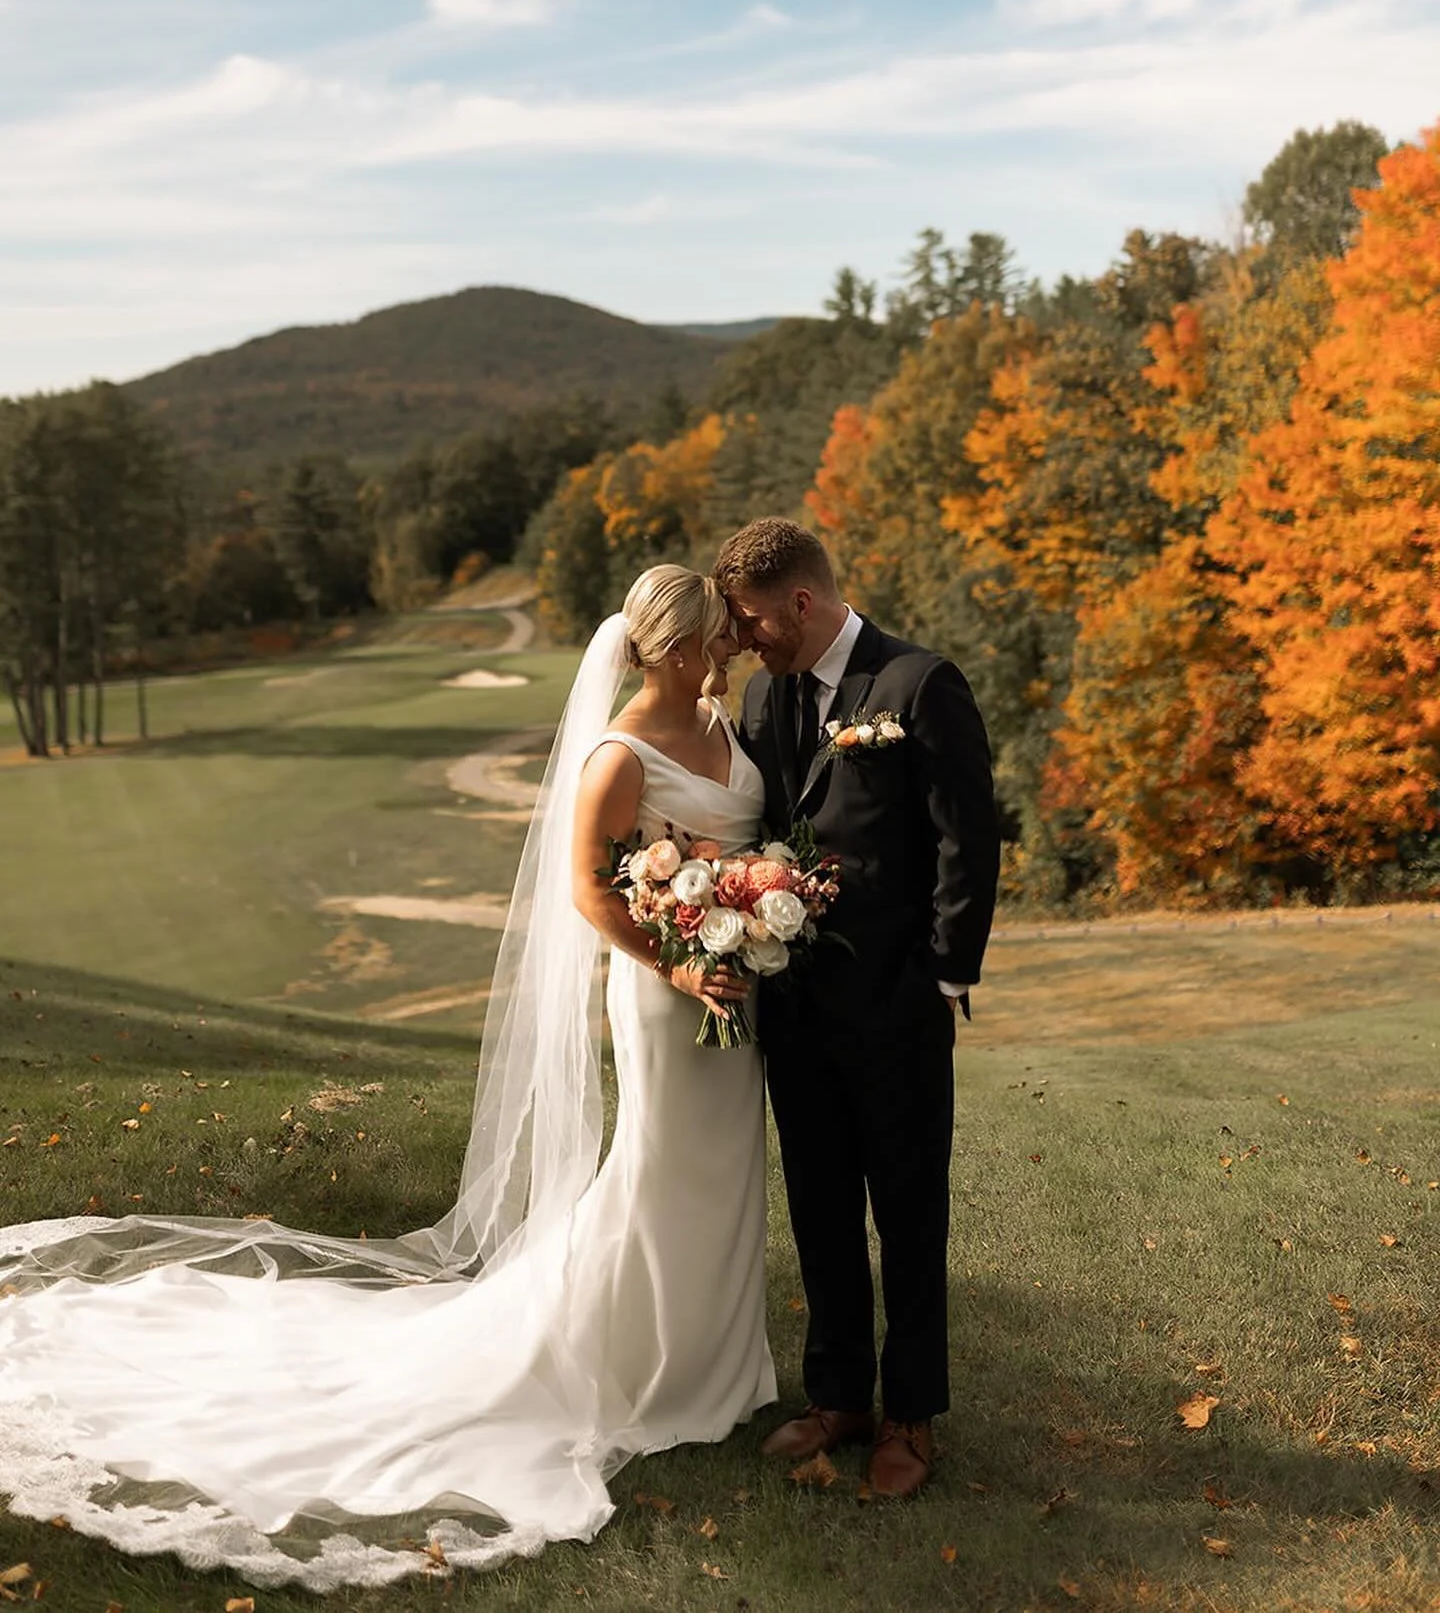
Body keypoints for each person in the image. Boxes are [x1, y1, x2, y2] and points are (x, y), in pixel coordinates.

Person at [0, 566, 774, 1593]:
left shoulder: (726, 717)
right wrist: (678, 958)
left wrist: (757, 913)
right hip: (670, 997)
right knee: (663, 1169)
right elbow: (590, 890)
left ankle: (725, 1363)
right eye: (717, 633)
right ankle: (654, 1370)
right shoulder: (618, 755)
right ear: (679, 646)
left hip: (740, 982)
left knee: (725, 1176)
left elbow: (732, 843)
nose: (730, 644)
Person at [714, 518, 1000, 1497]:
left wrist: (943, 975)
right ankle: (836, 1396)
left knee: (909, 1214)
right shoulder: (763, 695)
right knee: (821, 1207)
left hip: (899, 1005)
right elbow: (758, 823)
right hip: (795, 1010)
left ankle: (910, 1418)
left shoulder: (921, 684)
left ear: (801, 601)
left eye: (755, 621)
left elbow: (969, 839)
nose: (749, 640)